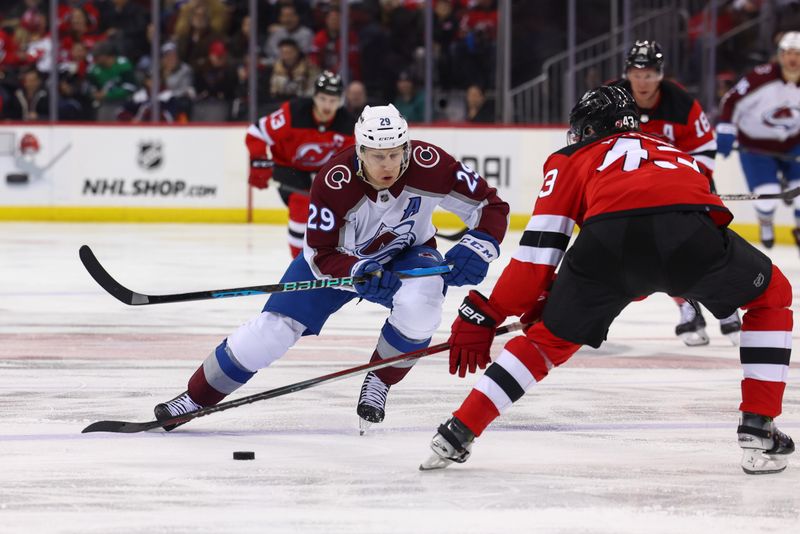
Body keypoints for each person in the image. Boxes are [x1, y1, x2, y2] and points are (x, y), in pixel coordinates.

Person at [420, 86, 794, 475]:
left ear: (587, 130)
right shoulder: (674, 152)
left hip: (609, 250)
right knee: (772, 296)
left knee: (547, 341)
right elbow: (677, 223)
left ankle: (458, 431)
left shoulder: (570, 158)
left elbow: (538, 253)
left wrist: (491, 311)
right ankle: (758, 424)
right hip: (690, 238)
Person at [154, 104, 510, 435]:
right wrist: (358, 271)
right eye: (377, 157)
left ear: (407, 147)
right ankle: (195, 398)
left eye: (394, 154)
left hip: (407, 254)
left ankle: (379, 381)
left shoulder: (432, 164)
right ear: (360, 152)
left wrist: (479, 246)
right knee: (272, 331)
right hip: (336, 263)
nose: (387, 165)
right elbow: (322, 253)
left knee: (424, 302)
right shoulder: (333, 182)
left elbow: (489, 204)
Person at [612, 39, 740, 347]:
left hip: (686, 187)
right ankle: (687, 308)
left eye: (649, 74)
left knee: (709, 248)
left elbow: (706, 148)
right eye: (636, 73)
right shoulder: (612, 100)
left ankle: (724, 306)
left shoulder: (680, 103)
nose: (642, 82)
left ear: (660, 75)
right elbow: (592, 147)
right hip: (639, 194)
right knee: (659, 253)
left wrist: (688, 185)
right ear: (628, 73)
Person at [246, 70, 355, 258]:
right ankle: (299, 261)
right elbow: (256, 132)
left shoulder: (348, 124)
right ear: (314, 96)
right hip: (289, 168)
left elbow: (352, 160)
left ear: (341, 100)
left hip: (323, 173)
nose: (327, 106)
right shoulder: (293, 113)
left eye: (333, 100)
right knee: (301, 203)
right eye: (322, 99)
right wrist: (259, 163)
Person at [716, 31, 800, 253]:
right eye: (788, 53)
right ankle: (766, 222)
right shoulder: (760, 78)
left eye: (798, 54)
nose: (793, 59)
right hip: (756, 146)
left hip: (793, 144)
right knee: (767, 197)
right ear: (780, 56)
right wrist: (726, 128)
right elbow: (731, 100)